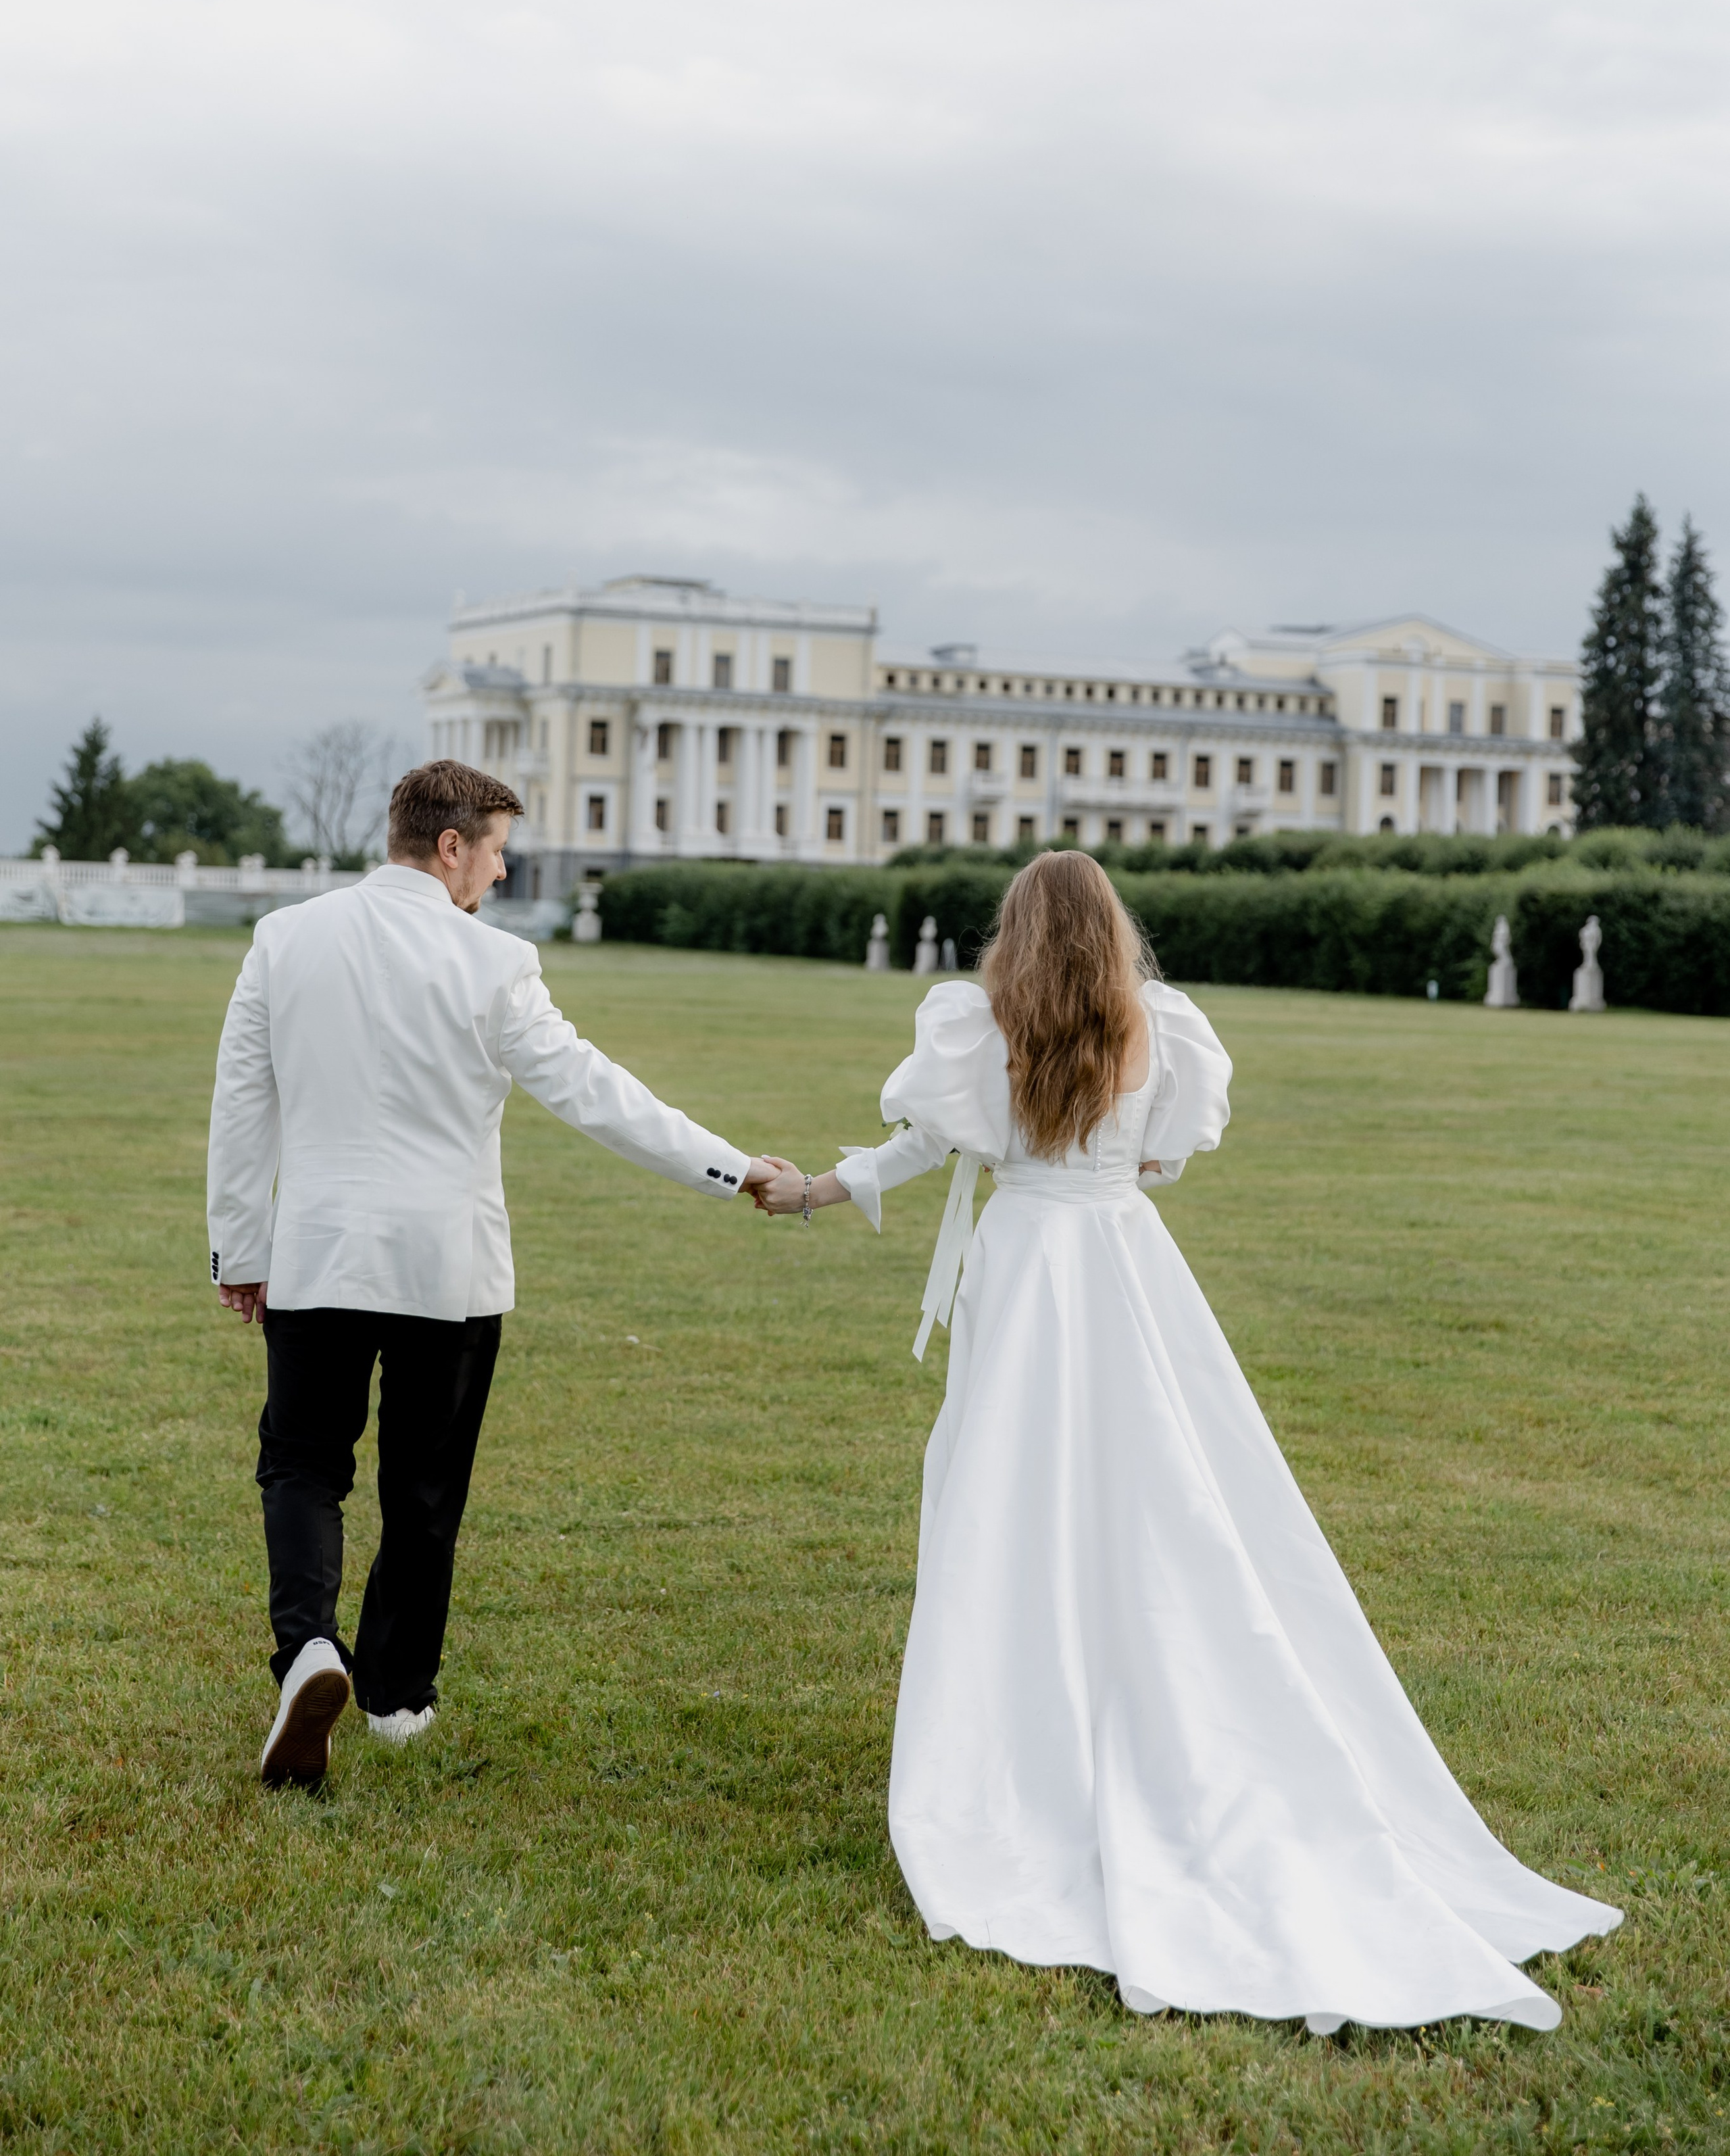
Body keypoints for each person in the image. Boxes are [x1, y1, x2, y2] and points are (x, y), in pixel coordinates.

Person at [758, 849, 1619, 2034]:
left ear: (1016, 932)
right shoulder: (1155, 1025)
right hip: (1122, 1261)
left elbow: (927, 1146)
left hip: (1033, 1276)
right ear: (1111, 931)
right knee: (1156, 1490)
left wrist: (813, 1191)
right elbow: (1166, 1156)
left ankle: (1022, 1733)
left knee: (1015, 1503)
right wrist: (1103, 1160)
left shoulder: (980, 1027)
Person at [209, 758, 775, 1788]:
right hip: (449, 1269)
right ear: (453, 847)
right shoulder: (495, 964)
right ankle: (395, 1697)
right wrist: (732, 1169)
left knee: (301, 1467)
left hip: (318, 1255)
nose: (503, 875)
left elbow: (243, 1103)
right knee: (424, 1488)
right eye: (500, 852)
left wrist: (240, 1252)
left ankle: (307, 1654)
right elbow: (597, 1093)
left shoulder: (284, 940)